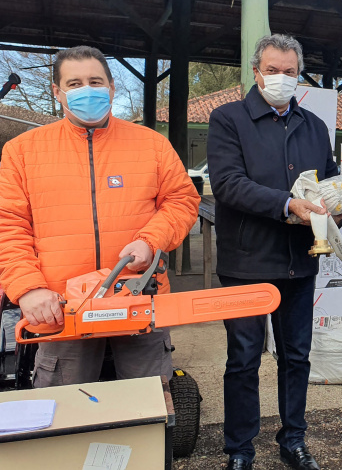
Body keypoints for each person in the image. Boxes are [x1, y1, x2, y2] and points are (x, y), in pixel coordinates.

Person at [0, 45, 199, 386]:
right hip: (60, 306)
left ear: (111, 87)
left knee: (146, 404)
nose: (86, 89)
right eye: (74, 83)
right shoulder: (22, 151)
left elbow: (181, 200)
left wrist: (151, 241)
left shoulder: (151, 144)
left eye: (95, 81)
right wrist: (28, 289)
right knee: (63, 409)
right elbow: (8, 225)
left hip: (138, 297)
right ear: (57, 92)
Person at [207, 34, 341, 470]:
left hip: (298, 262)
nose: (281, 78)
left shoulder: (315, 126)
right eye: (272, 70)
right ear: (255, 71)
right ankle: (240, 449)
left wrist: (338, 206)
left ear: (299, 75)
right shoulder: (228, 120)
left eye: (289, 72)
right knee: (243, 359)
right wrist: (287, 204)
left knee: (296, 356)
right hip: (245, 261)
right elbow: (228, 184)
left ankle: (293, 439)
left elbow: (329, 183)